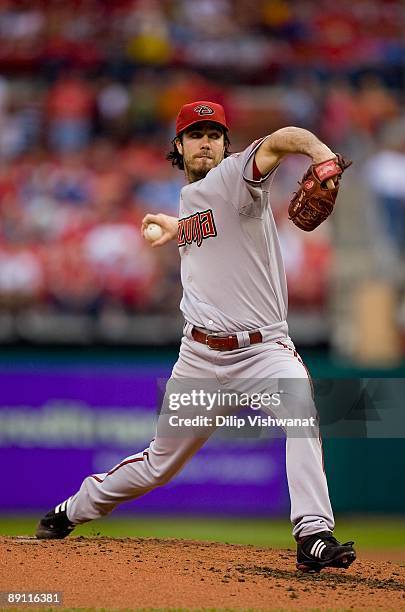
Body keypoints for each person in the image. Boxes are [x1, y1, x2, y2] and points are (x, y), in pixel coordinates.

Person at [36, 101, 356, 573]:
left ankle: (312, 533)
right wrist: (174, 227)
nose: (205, 141)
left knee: (300, 413)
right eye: (194, 134)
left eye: (214, 133)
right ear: (178, 147)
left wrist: (321, 154)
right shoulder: (191, 200)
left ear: (227, 146)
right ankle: (73, 509)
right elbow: (208, 224)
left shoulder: (236, 176)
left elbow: (283, 137)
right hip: (200, 360)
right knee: (158, 465)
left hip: (263, 351)